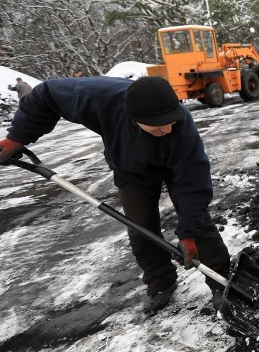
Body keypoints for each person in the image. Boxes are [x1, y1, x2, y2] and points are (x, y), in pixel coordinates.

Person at [0, 76, 231, 314]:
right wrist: (17, 137)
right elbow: (45, 95)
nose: (167, 128)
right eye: (157, 125)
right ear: (134, 117)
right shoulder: (99, 98)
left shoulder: (182, 129)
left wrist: (188, 235)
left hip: (176, 167)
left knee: (199, 225)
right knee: (141, 229)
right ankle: (161, 281)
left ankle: (221, 283)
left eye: (170, 121)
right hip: (130, 169)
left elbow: (193, 184)